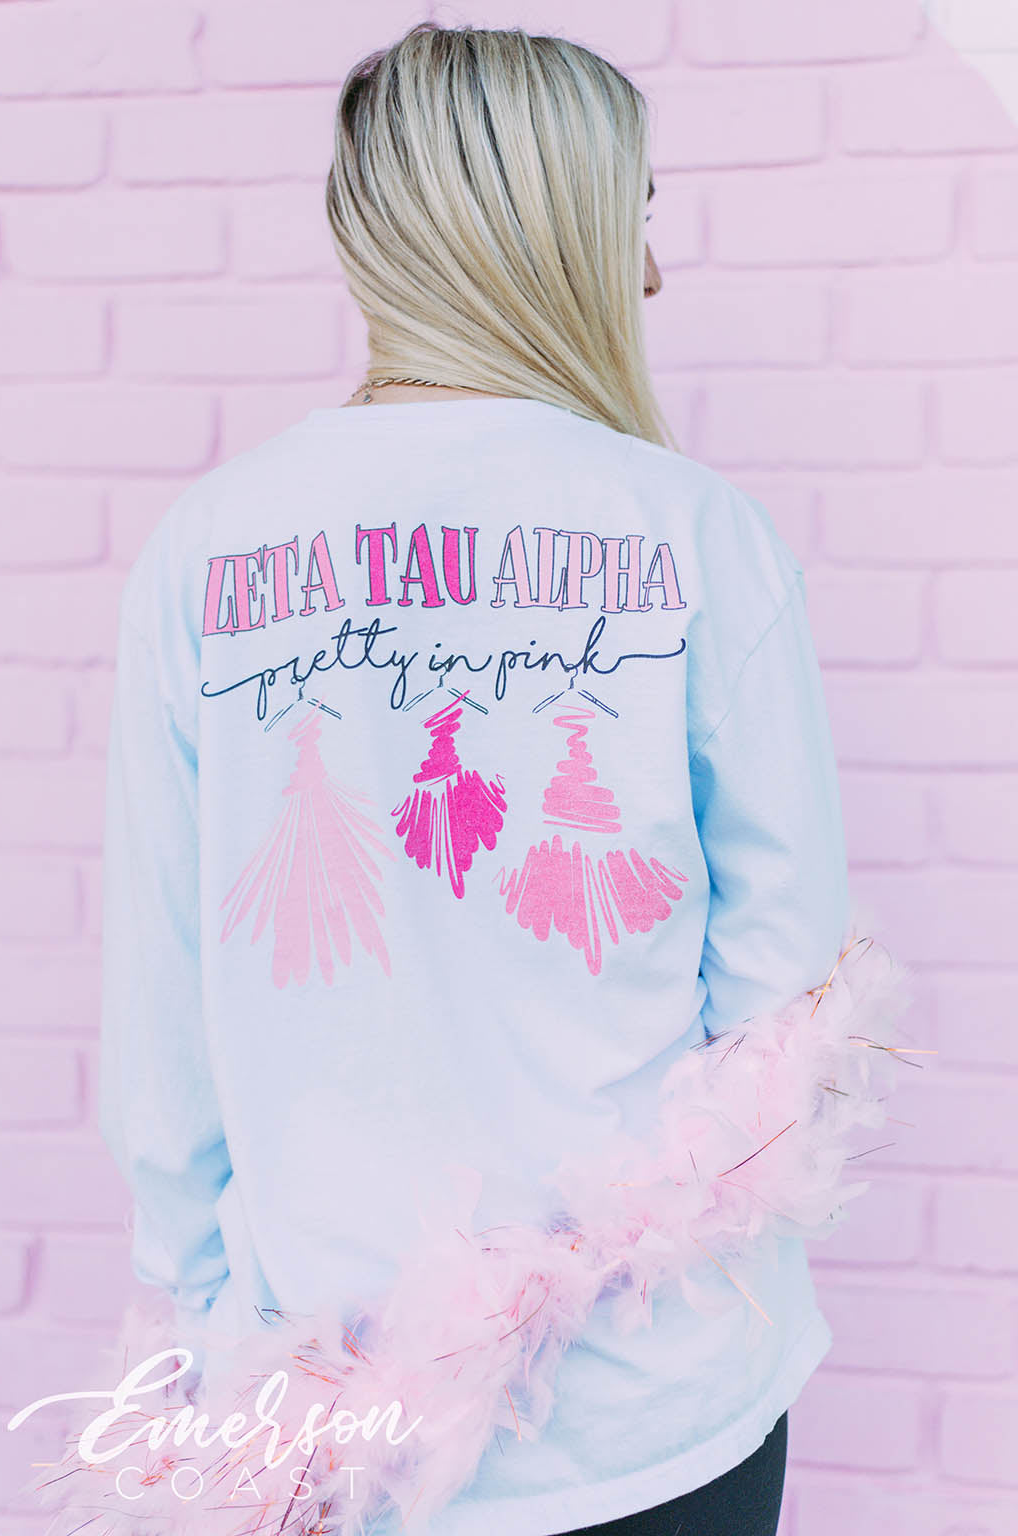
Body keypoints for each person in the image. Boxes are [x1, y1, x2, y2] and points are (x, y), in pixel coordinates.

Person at [86, 21, 907, 1536]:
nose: (648, 275)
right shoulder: (694, 534)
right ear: (551, 233)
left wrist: (211, 1342)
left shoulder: (204, 555)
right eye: (634, 220)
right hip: (660, 1407)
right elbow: (783, 998)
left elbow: (165, 1026)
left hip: (324, 1422)